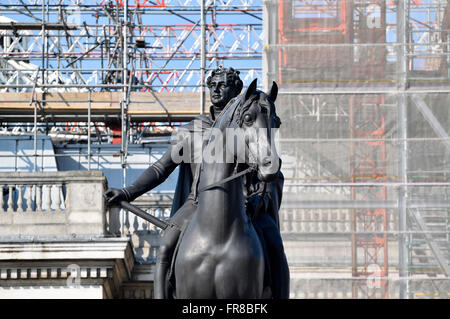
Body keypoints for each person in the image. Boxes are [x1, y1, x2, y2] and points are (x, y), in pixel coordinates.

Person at [104, 66, 289, 298]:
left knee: (274, 246)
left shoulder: (246, 127)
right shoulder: (193, 131)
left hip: (246, 206)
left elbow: (269, 168)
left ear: (237, 89)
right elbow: (160, 169)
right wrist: (127, 192)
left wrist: (261, 197)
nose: (216, 90)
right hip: (196, 203)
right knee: (166, 248)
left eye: (223, 85)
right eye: (212, 85)